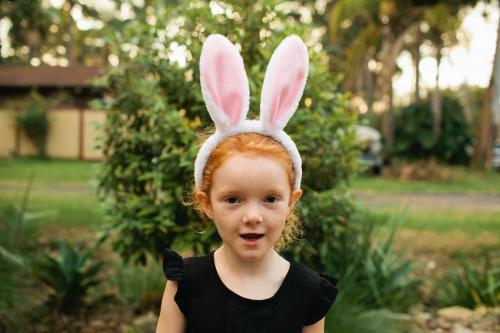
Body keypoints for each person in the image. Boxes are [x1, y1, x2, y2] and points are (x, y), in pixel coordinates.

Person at [156, 34, 338, 333]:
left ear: (292, 200)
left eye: (270, 199)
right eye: (233, 199)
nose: (252, 215)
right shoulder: (187, 284)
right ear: (206, 203)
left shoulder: (308, 292)